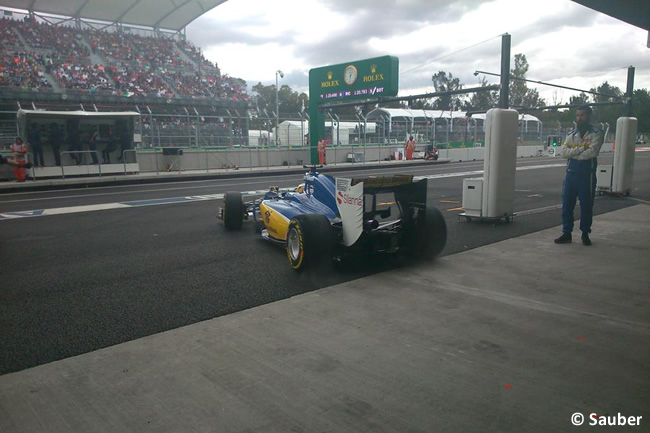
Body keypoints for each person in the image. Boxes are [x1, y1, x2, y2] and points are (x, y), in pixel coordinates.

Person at [554, 106, 604, 246]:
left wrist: (574, 153)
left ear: (588, 116)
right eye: (577, 115)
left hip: (586, 174)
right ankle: (566, 232)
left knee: (586, 205)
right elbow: (564, 153)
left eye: (582, 115)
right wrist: (581, 148)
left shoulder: (596, 133)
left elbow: (592, 152)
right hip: (571, 174)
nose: (579, 118)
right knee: (567, 205)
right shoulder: (572, 134)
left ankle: (585, 233)